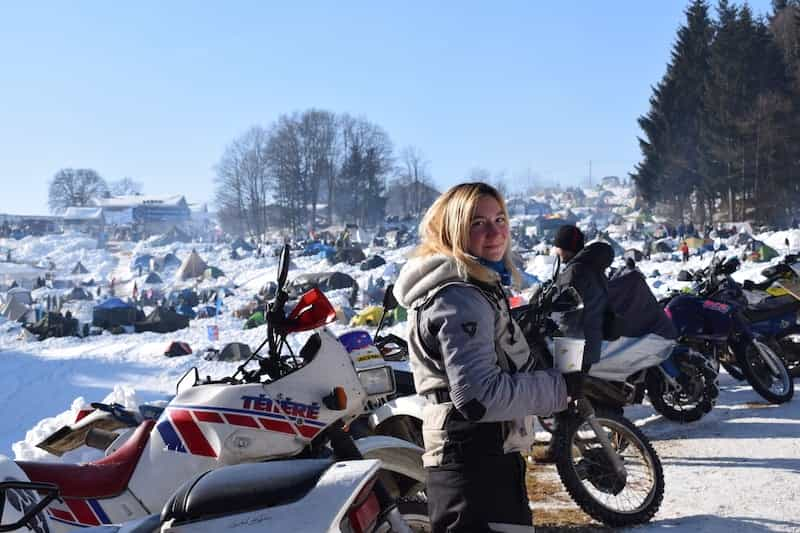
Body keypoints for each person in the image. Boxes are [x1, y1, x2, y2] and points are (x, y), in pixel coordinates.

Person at [393, 182, 571, 532]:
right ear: (453, 230)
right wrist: (559, 388)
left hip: (483, 455)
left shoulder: (474, 288)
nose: (494, 232)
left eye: (500, 219)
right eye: (477, 223)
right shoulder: (459, 297)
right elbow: (478, 397)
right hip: (474, 460)